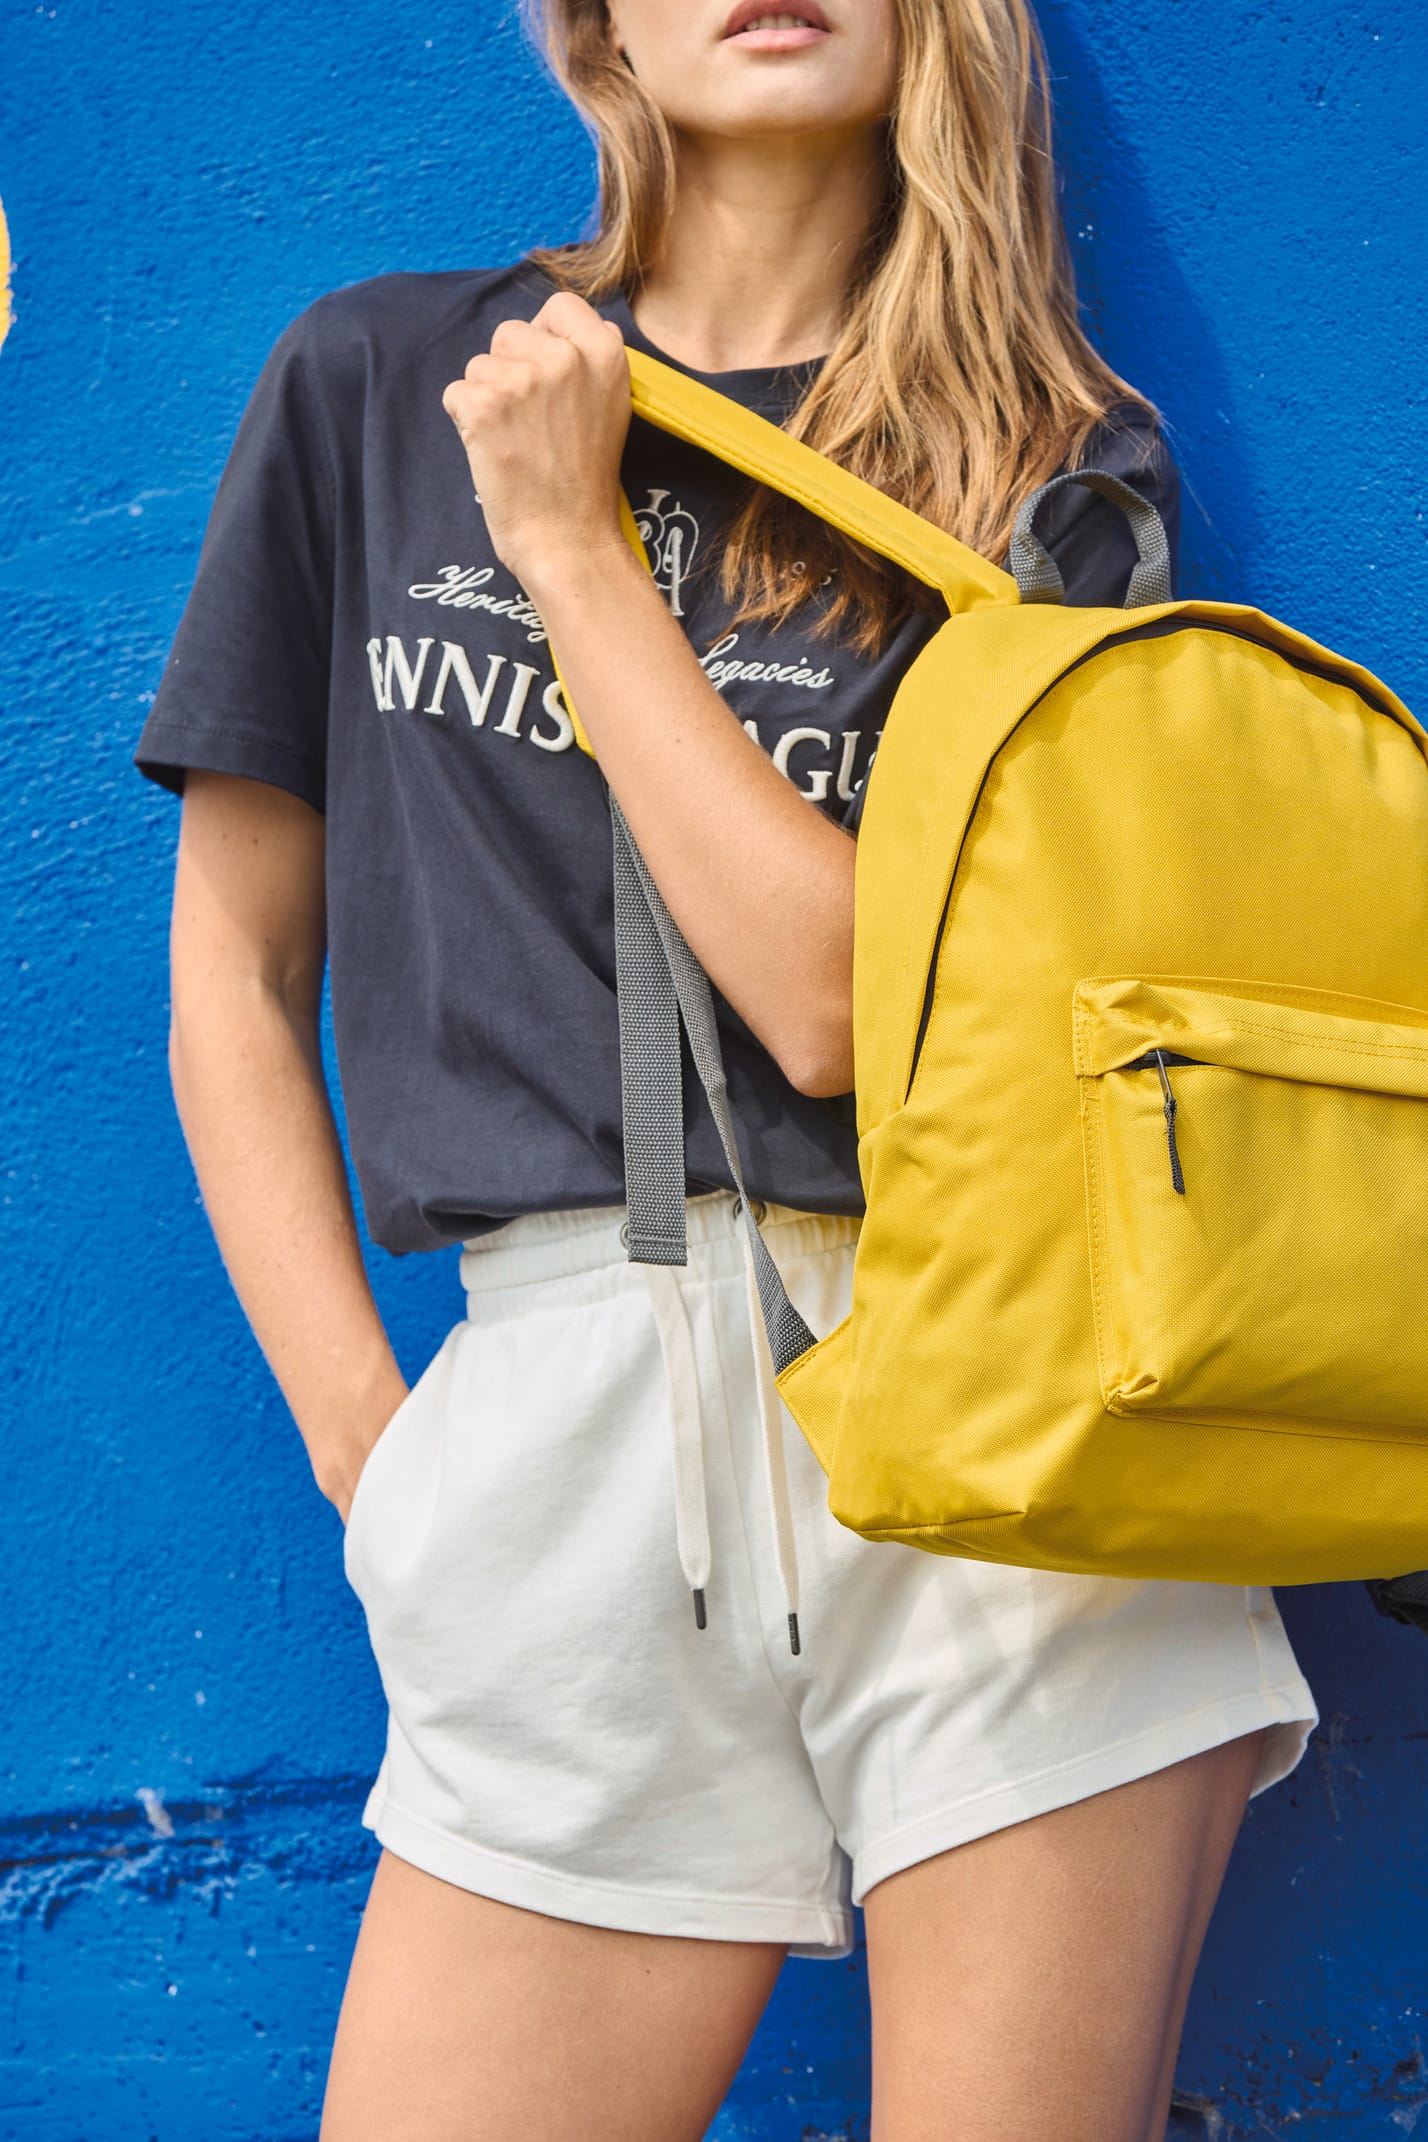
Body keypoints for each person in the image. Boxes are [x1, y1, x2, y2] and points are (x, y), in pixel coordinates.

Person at [133, 2, 1318, 2135]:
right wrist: (369, 1456)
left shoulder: (1050, 474)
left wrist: (573, 550)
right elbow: (234, 960)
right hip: (569, 1428)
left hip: (1007, 1430)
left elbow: (844, 1012)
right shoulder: (385, 385)